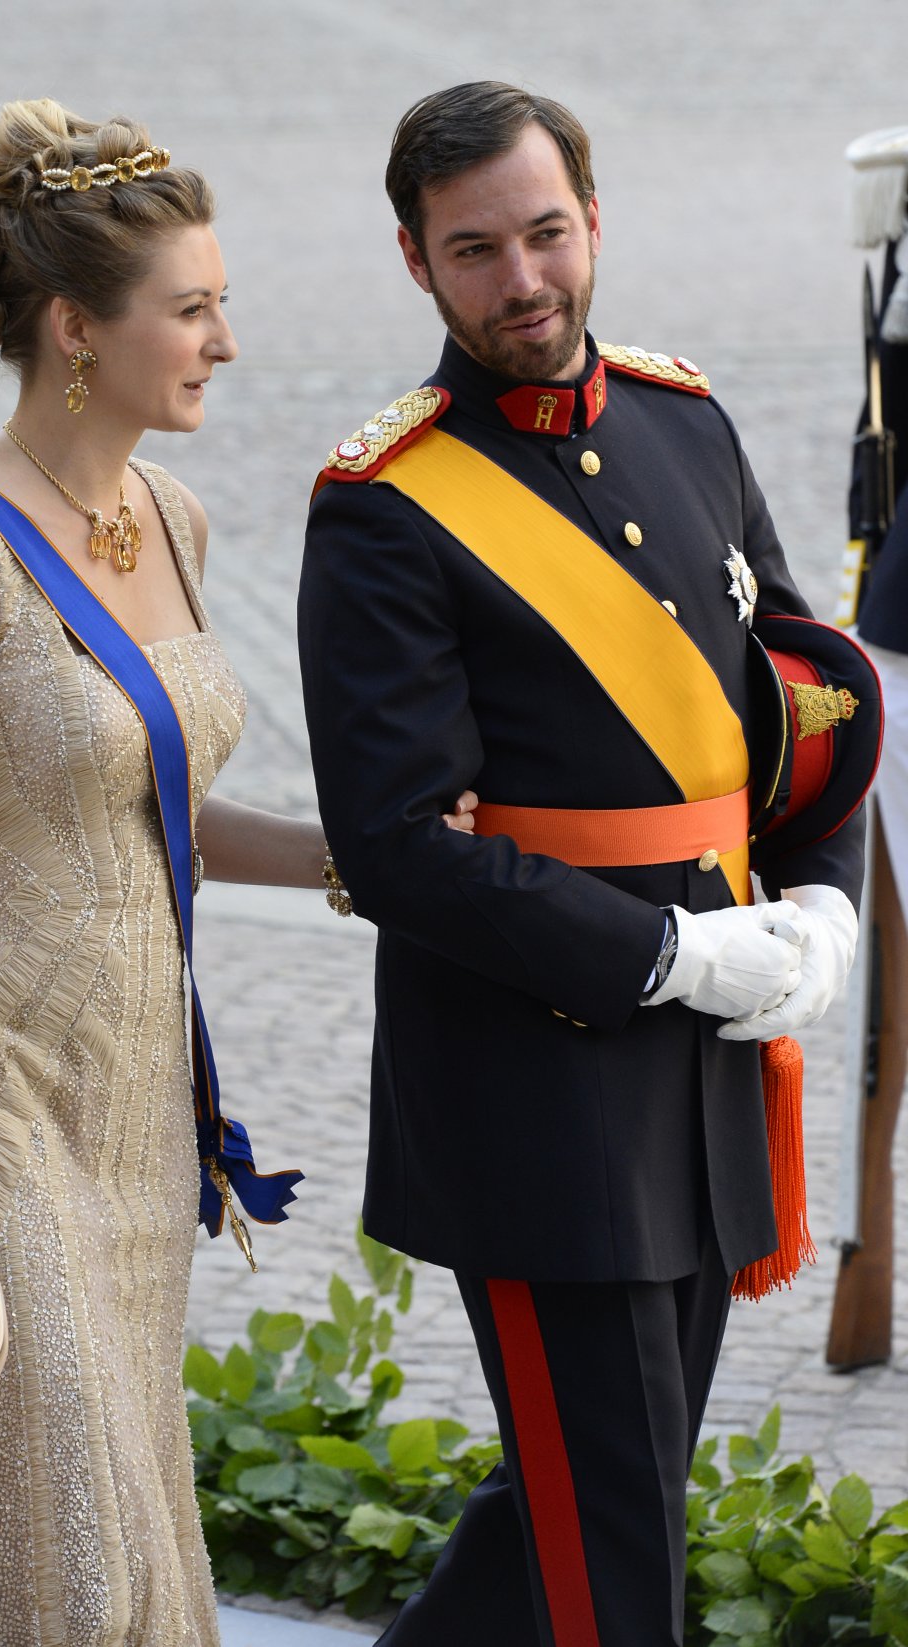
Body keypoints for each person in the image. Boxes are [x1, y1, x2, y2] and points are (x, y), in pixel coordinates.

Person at [0, 98, 478, 1647]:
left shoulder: (171, 520)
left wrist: (363, 861)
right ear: (78, 327)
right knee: (31, 1517)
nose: (223, 342)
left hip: (125, 1108)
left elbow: (162, 813)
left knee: (112, 1491)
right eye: (191, 310)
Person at [298, 82, 875, 1647]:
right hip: (535, 1081)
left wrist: (823, 898)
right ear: (417, 263)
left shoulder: (683, 420)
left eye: (548, 233)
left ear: (596, 222)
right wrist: (669, 954)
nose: (526, 280)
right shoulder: (385, 510)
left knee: (586, 1496)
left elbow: (803, 693)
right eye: (476, 250)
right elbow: (397, 848)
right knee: (614, 1551)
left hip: (713, 1061)